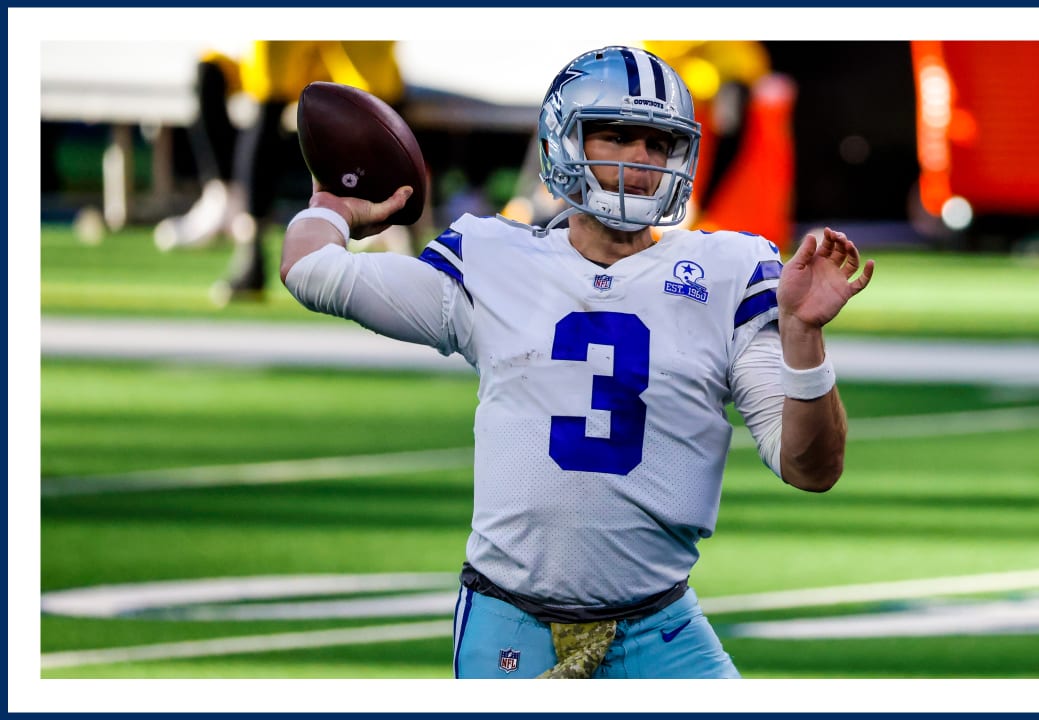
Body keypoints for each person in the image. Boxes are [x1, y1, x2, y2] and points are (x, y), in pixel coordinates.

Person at [280, 46, 874, 679]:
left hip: (661, 630)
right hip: (512, 623)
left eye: (657, 143)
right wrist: (333, 207)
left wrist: (804, 336)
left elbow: (810, 467)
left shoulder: (731, 272)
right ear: (564, 141)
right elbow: (311, 270)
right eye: (617, 136)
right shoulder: (492, 257)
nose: (642, 162)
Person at [154, 41, 412, 305]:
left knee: (375, 96)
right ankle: (236, 222)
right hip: (302, 71)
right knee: (242, 86)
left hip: (340, 72)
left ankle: (394, 220)